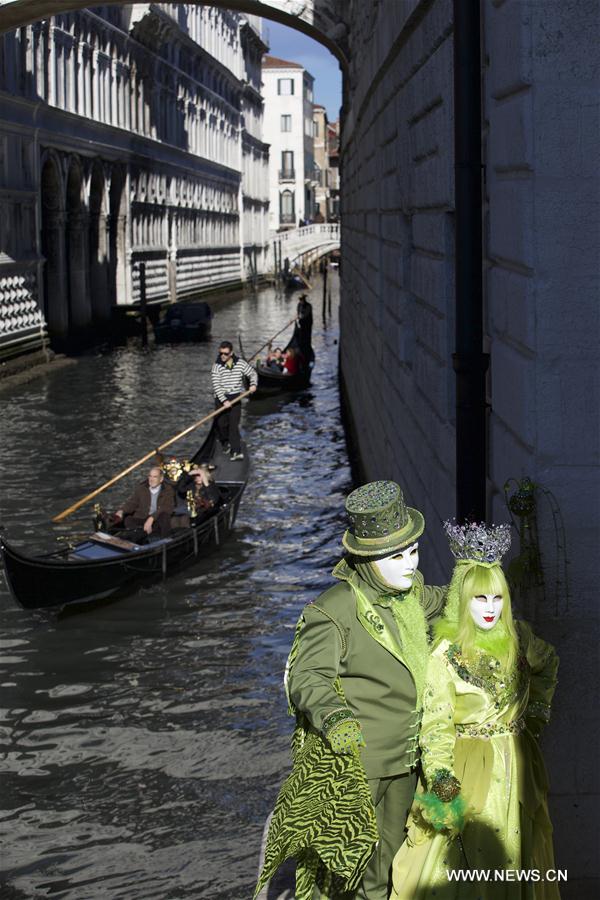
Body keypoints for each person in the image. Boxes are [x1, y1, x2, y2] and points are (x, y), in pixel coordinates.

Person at [255, 481, 447, 900]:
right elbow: (307, 676)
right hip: (360, 762)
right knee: (352, 863)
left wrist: (485, 587)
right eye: (395, 556)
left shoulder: (411, 593)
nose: (409, 564)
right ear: (365, 559)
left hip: (407, 757)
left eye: (413, 551)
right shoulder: (333, 609)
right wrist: (336, 717)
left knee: (393, 856)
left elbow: (446, 600)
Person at [390, 521, 559, 900]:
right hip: (470, 772)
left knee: (522, 857)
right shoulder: (445, 656)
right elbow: (435, 726)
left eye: (497, 598)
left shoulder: (521, 640)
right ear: (463, 600)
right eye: (480, 599)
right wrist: (443, 781)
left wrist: (535, 713)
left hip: (518, 765)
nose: (490, 608)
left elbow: (548, 663)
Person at [210, 340, 257, 461]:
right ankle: (225, 442)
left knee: (233, 426)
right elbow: (216, 386)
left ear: (231, 353)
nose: (223, 356)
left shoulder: (240, 363)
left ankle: (236, 451)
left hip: (236, 398)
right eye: (221, 353)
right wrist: (224, 401)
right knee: (221, 425)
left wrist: (253, 384)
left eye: (225, 353)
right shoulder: (216, 366)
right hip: (220, 398)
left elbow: (252, 373)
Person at [115, 466, 175, 539]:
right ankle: (137, 538)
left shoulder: (168, 490)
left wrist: (151, 518)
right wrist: (122, 510)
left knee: (164, 516)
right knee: (128, 519)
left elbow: (166, 507)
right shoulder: (141, 489)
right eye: (150, 476)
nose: (151, 479)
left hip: (157, 519)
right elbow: (132, 503)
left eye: (155, 477)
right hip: (142, 518)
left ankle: (165, 541)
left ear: (161, 479)